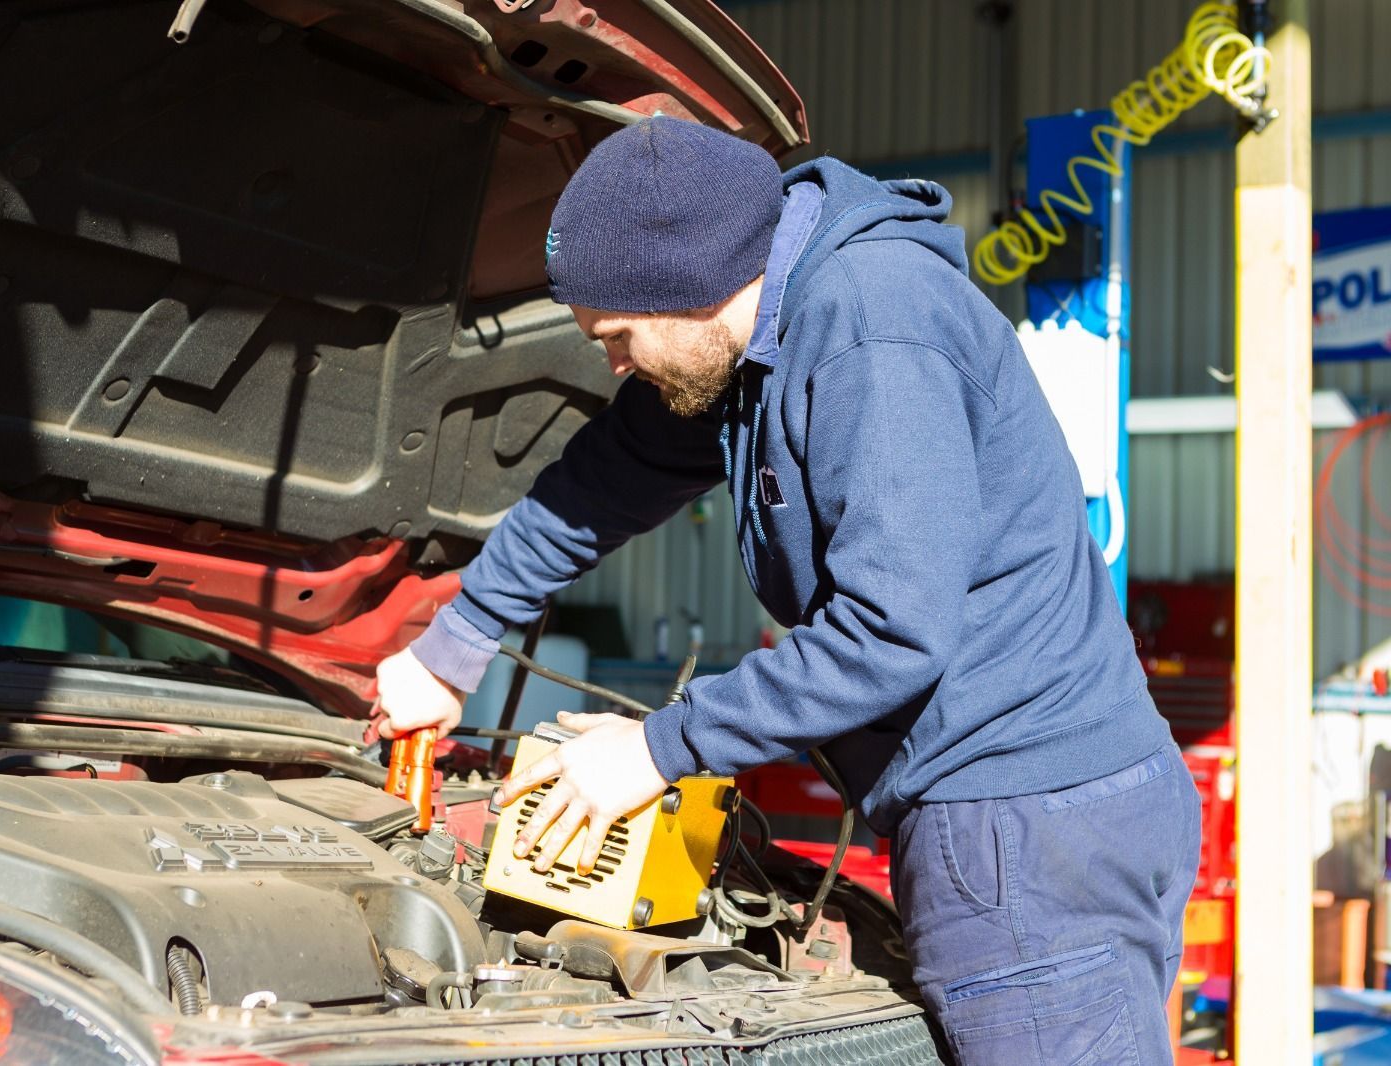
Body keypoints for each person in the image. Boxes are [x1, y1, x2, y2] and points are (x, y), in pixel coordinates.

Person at [370, 116, 1200, 1066]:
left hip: (1029, 839)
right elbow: (603, 482)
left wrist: (659, 747)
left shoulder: (870, 323)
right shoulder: (752, 340)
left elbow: (890, 633)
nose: (614, 363)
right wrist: (454, 645)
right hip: (1032, 824)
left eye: (620, 336)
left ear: (688, 287)